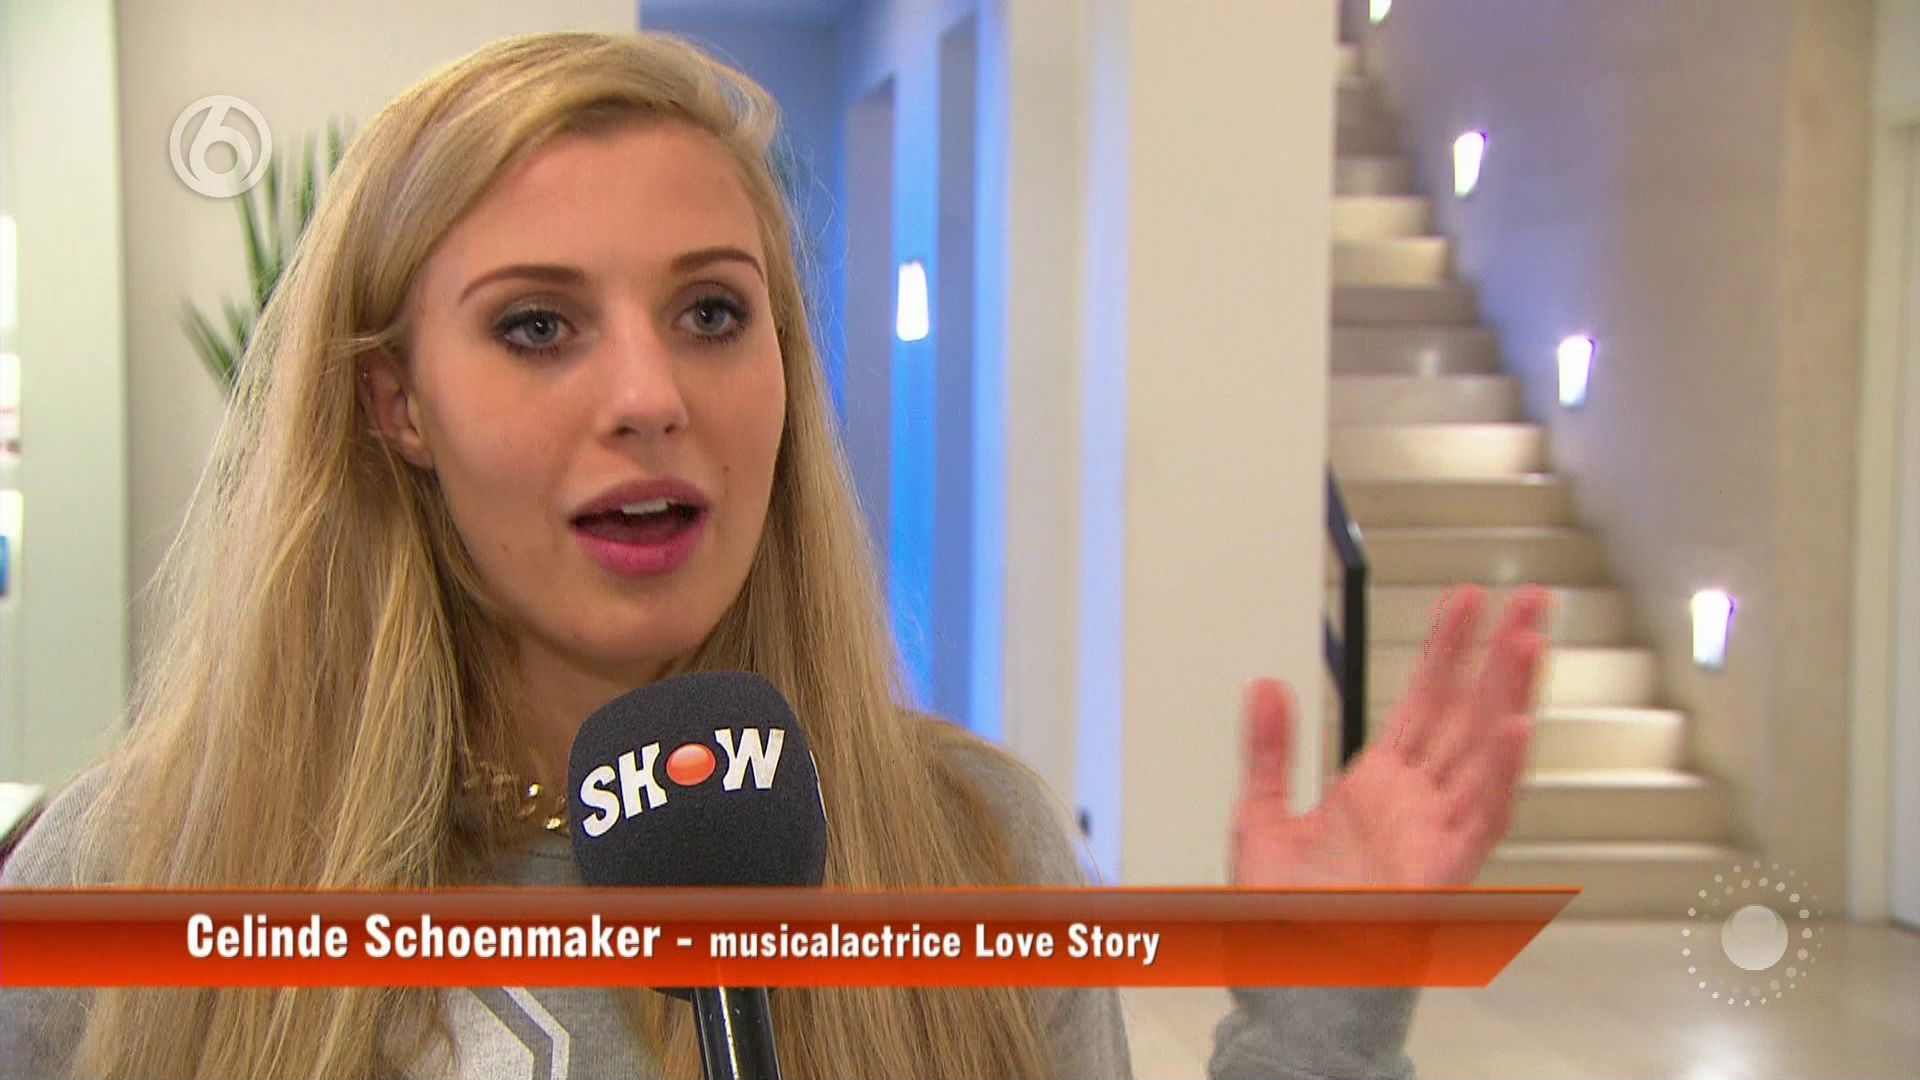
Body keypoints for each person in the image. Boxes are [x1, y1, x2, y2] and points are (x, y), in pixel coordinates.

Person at [0, 30, 1547, 1079]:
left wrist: (1321, 1022)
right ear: (395, 402)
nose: (650, 396)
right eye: (537, 325)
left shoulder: (976, 851)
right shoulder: (128, 873)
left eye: (711, 312)